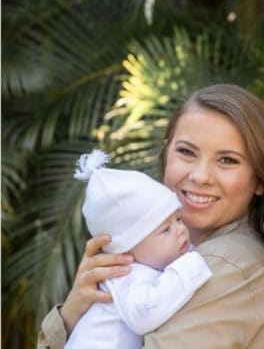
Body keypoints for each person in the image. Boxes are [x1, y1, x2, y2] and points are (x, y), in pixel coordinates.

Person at [37, 84, 264, 348]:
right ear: (166, 152)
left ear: (260, 178)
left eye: (227, 160)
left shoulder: (225, 264)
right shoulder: (155, 257)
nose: (199, 176)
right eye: (186, 152)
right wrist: (73, 312)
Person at [67, 149, 212, 348]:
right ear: (127, 250)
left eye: (178, 219)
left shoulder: (148, 261)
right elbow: (144, 315)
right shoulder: (125, 273)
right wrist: (192, 266)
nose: (180, 230)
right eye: (165, 230)